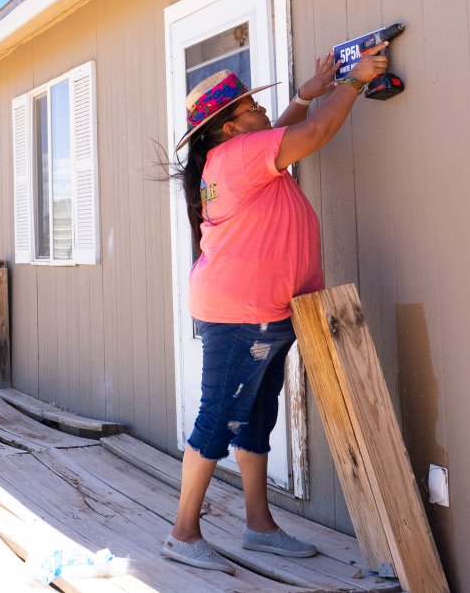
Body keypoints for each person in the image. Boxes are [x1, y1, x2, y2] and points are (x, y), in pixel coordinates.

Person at [160, 47, 389, 574]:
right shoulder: (239, 155)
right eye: (250, 108)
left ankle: (258, 526)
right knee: (218, 415)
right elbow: (313, 136)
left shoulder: (227, 157)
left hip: (257, 310)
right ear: (227, 128)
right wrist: (352, 83)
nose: (262, 113)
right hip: (243, 314)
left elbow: (281, 132)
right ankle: (183, 532)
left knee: (257, 418)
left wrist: (306, 96)